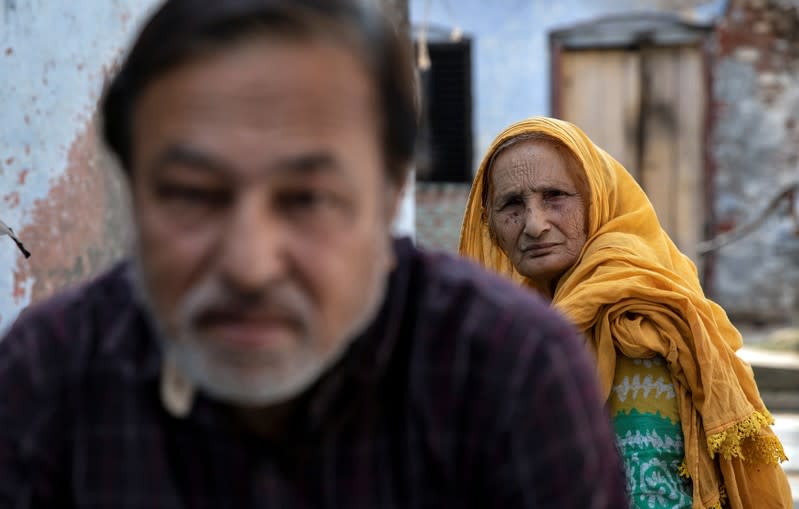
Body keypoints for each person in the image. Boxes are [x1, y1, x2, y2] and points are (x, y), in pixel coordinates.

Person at [0, 3, 630, 507]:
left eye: (308, 199)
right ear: (132, 195)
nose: (250, 265)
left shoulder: (509, 373)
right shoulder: (52, 375)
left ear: (388, 200)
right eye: (192, 196)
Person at [459, 116, 793, 509]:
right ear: (490, 224)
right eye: (512, 204)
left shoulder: (639, 321)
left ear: (595, 199)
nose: (534, 224)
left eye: (555, 196)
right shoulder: (508, 327)